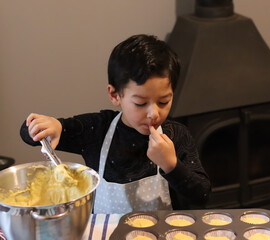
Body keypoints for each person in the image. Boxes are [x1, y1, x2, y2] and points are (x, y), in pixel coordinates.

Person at [20, 34, 211, 214]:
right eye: (141, 103)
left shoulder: (177, 135)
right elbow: (28, 135)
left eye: (163, 102)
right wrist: (55, 127)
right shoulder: (97, 129)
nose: (154, 113)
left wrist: (171, 166)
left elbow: (202, 195)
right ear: (115, 95)